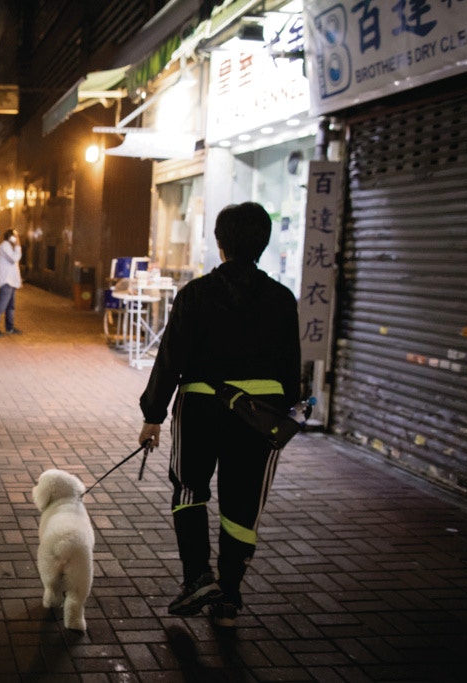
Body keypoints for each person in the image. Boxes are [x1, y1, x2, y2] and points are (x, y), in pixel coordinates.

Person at [137, 201, 301, 628]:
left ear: (219, 242)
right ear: (264, 243)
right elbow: (290, 370)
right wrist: (282, 418)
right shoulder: (283, 299)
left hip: (201, 409)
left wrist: (153, 415)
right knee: (242, 503)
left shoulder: (196, 294)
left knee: (190, 489)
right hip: (260, 416)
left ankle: (197, 579)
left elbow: (170, 357)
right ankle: (229, 592)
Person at [0, 229, 23, 338]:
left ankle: (10, 327)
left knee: (10, 307)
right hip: (6, 281)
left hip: (11, 281)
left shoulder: (8, 247)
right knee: (1, 306)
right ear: (10, 237)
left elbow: (14, 266)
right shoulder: (5, 246)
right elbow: (14, 258)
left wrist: (18, 281)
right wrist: (18, 246)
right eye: (15, 236)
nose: (17, 238)